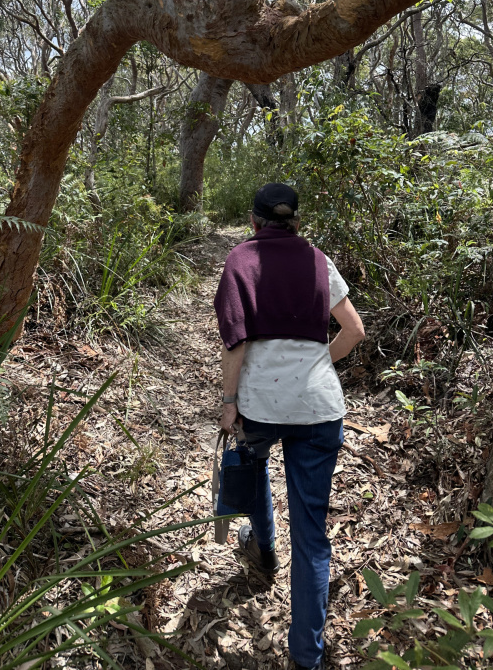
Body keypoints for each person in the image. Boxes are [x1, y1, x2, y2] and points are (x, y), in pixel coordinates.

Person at [213, 182, 365, 670]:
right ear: (296, 221)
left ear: (254, 221)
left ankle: (264, 550)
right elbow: (354, 330)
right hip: (320, 408)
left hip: (260, 402)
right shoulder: (320, 260)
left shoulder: (241, 260)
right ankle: (307, 658)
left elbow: (235, 343)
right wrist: (320, 364)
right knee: (313, 534)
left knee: (253, 469)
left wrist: (229, 402)